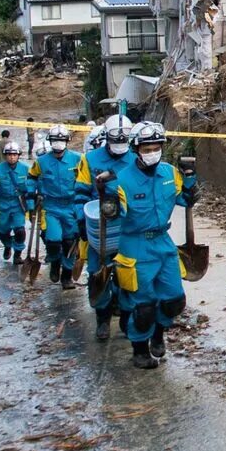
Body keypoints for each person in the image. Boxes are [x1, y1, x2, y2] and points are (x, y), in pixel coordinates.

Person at [102, 121, 199, 370]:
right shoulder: (120, 180)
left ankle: (158, 334)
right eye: (147, 148)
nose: (152, 151)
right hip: (135, 246)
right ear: (136, 149)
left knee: (174, 300)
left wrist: (190, 180)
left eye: (157, 147)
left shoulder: (169, 173)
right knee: (143, 306)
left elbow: (185, 200)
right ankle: (139, 349)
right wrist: (108, 199)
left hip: (163, 243)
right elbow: (114, 212)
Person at [76, 115, 134, 340]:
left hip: (127, 228)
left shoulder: (136, 159)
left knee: (126, 273)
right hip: (97, 225)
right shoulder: (90, 160)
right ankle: (102, 318)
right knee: (97, 272)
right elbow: (80, 192)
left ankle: (126, 317)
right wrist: (80, 222)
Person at [30, 125, 84, 286]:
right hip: (51, 207)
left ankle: (66, 276)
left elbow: (86, 181)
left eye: (61, 140)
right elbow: (31, 178)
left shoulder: (78, 159)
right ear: (50, 141)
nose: (58, 143)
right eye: (55, 140)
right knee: (53, 240)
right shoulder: (42, 161)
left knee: (69, 242)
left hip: (71, 206)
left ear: (67, 141)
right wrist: (31, 197)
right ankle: (54, 262)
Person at [0, 139, 33, 263]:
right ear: (5, 155)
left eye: (14, 155)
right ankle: (7, 245)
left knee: (20, 230)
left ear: (18, 155)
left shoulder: (26, 169)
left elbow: (30, 189)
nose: (12, 157)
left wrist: (32, 206)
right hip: (3, 204)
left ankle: (17, 254)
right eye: (9, 155)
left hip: (18, 205)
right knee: (3, 231)